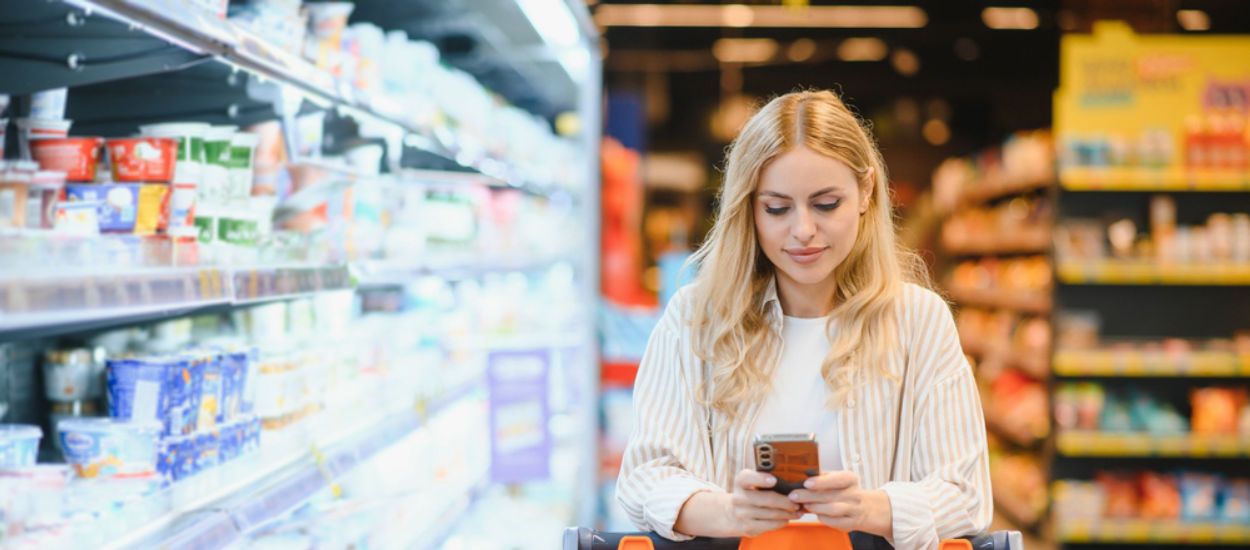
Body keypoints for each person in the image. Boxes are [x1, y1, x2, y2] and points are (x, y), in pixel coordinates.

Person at [615, 90, 992, 550]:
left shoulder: (919, 321)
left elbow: (967, 494)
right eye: (776, 208)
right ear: (748, 207)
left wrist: (873, 509)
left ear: (866, 191)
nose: (803, 230)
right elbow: (642, 480)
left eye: (826, 204)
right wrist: (729, 511)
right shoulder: (694, 319)